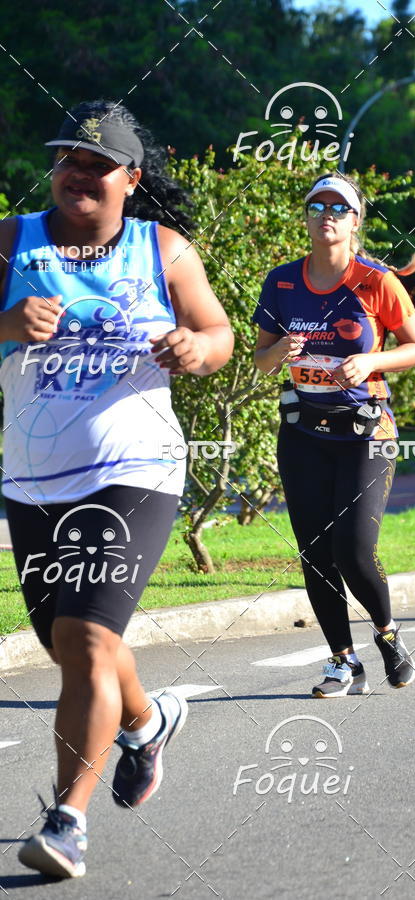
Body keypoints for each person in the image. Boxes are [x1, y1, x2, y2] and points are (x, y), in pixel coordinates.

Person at [0, 100, 233, 878]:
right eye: (68, 158)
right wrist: (4, 323)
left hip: (136, 470)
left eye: (98, 164)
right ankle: (147, 722)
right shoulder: (13, 241)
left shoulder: (163, 250)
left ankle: (67, 822)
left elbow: (221, 335)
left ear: (131, 179)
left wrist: (194, 346)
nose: (79, 174)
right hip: (33, 482)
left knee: (87, 641)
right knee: (68, 645)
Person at [253, 172, 415, 698]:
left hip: (366, 430)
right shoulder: (281, 281)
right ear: (306, 217)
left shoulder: (376, 281)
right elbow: (260, 361)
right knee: (314, 551)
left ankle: (387, 634)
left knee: (353, 547)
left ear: (355, 221)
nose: (326, 214)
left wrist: (373, 360)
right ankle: (341, 661)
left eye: (339, 207)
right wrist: (279, 352)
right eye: (316, 205)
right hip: (304, 431)